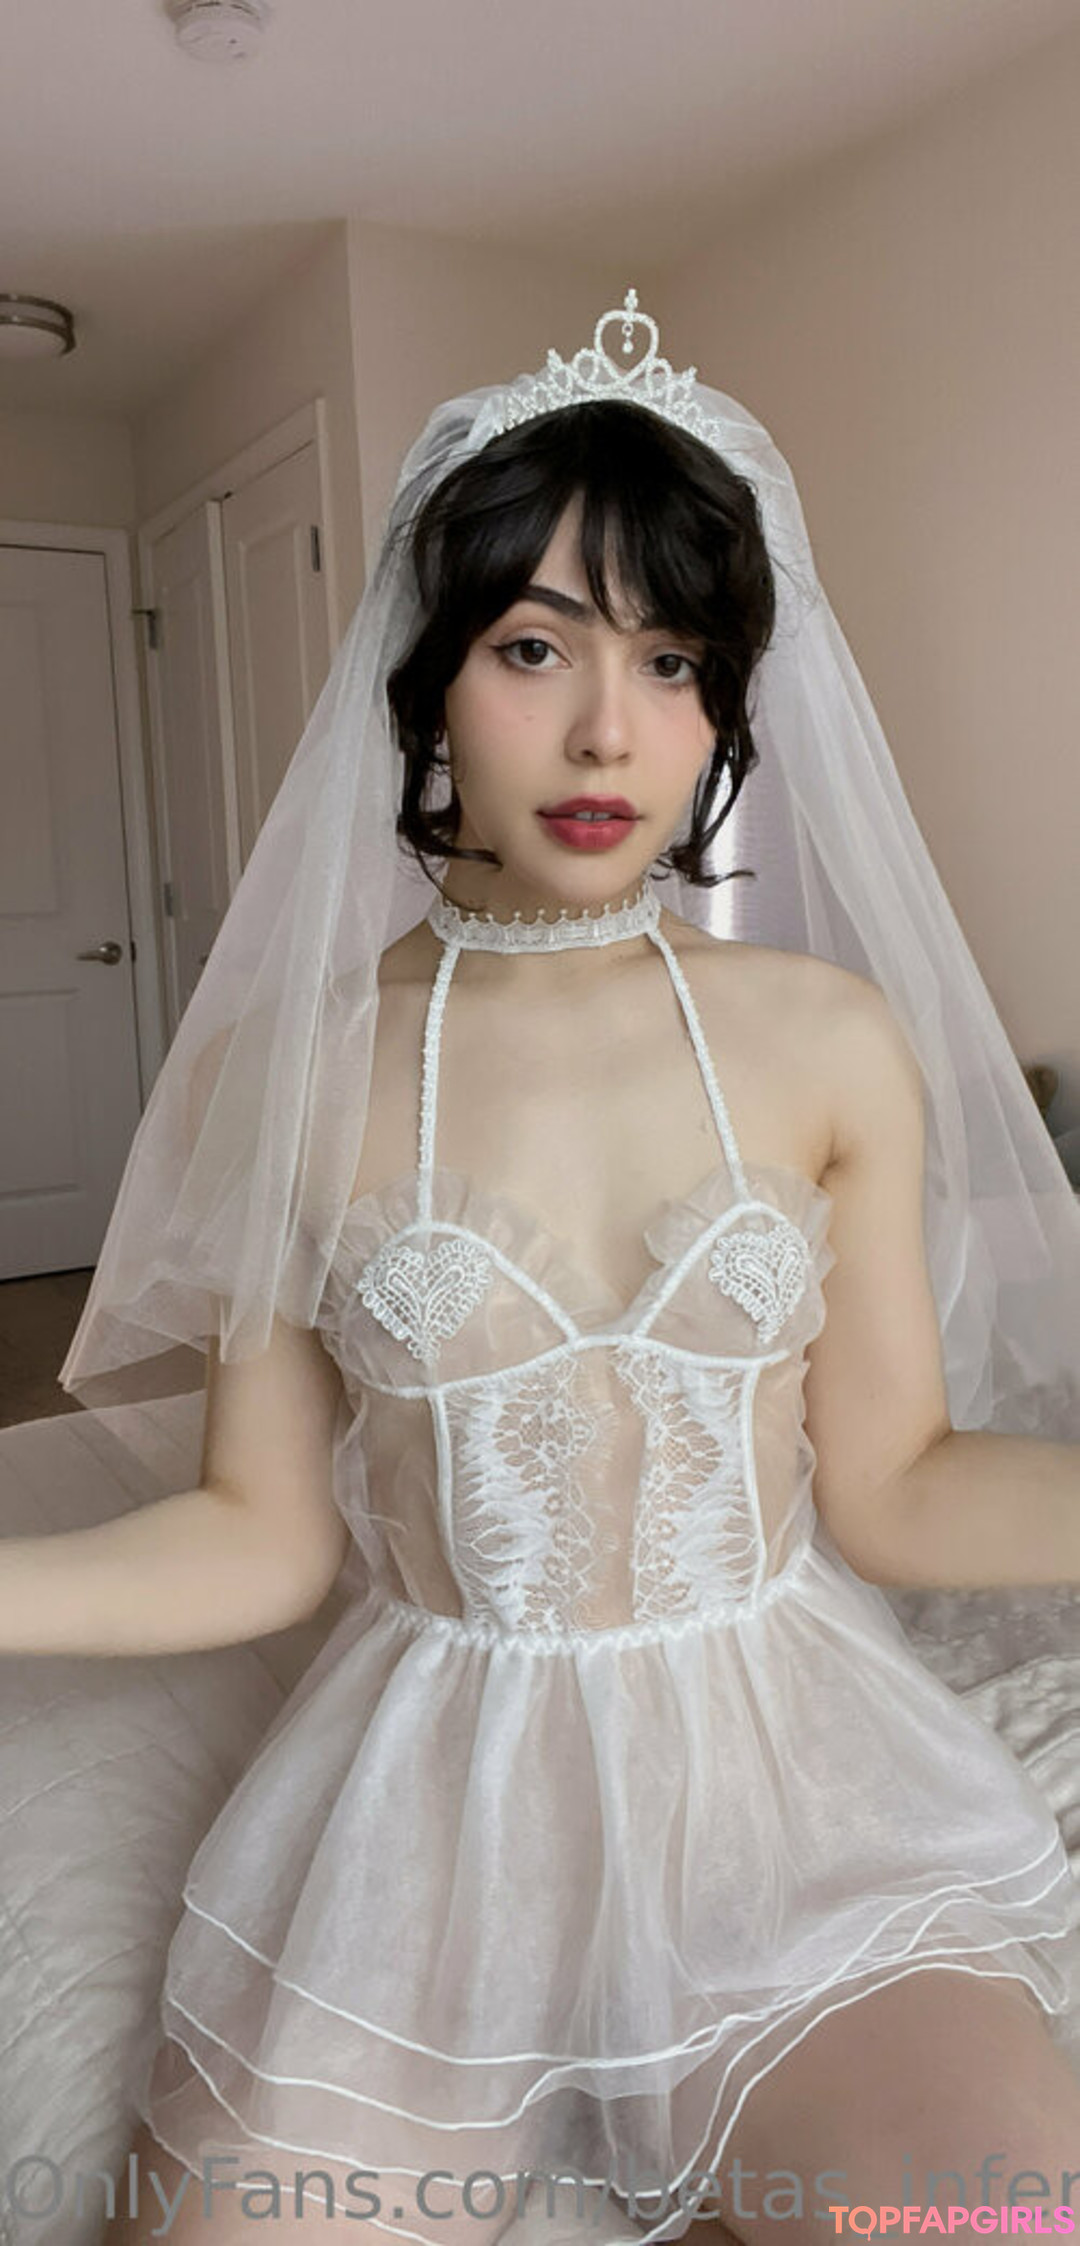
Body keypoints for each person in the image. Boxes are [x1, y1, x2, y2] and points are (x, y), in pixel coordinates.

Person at [3, 296, 1080, 2246]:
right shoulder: (292, 1072)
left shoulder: (825, 1038)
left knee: (1000, 2218)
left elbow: (901, 1483)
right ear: (426, 681)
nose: (609, 731)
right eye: (533, 646)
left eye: (673, 661)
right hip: (436, 1808)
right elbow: (260, 1533)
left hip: (789, 1784)